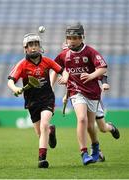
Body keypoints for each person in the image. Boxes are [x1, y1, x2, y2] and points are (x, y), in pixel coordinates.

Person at [7, 33, 68, 168]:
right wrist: (15, 89)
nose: (34, 48)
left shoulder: (47, 61)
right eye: (30, 45)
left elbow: (62, 70)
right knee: (41, 133)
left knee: (44, 125)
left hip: (47, 99)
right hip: (31, 102)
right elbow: (10, 81)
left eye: (36, 44)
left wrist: (64, 77)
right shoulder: (22, 65)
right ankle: (51, 131)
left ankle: (42, 159)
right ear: (25, 48)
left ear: (40, 47)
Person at [50, 22, 108, 165]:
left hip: (93, 93)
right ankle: (84, 153)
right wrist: (51, 87)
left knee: (90, 126)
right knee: (81, 119)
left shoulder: (90, 52)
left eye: (75, 38)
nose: (72, 40)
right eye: (69, 37)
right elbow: (55, 69)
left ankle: (95, 146)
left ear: (82, 37)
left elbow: (103, 69)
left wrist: (90, 76)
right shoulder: (64, 54)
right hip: (76, 92)